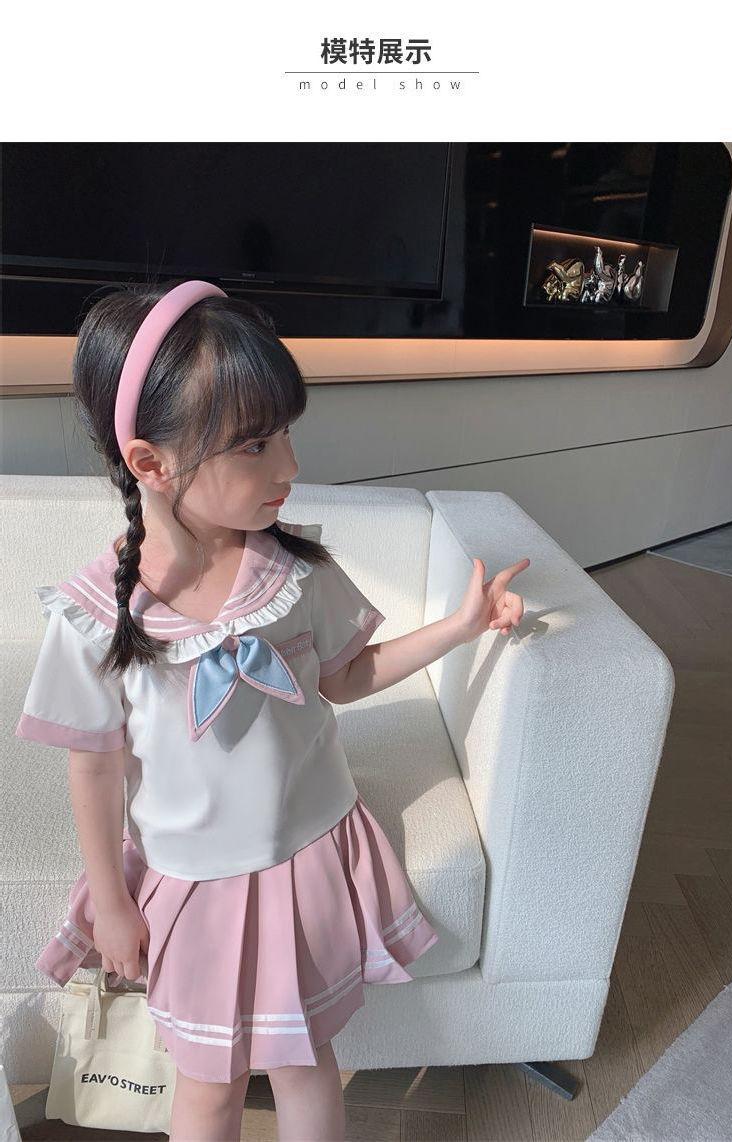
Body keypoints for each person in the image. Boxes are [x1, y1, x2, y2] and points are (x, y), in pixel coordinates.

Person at [15, 278, 530, 1142]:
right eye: (255, 444)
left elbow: (347, 677)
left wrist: (461, 626)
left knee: (305, 1064)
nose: (288, 467)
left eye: (285, 433)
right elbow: (94, 769)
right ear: (150, 463)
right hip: (194, 882)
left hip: (312, 856)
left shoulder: (294, 573)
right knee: (208, 1089)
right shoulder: (96, 618)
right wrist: (112, 901)